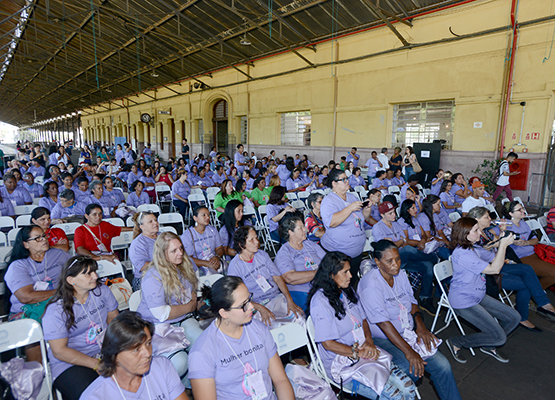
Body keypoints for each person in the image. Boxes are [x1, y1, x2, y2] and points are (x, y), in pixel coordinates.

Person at [358, 241, 461, 400]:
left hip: (406, 331)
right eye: (389, 261)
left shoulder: (400, 275)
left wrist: (420, 326)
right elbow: (384, 324)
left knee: (443, 366)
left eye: (397, 259)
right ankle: (389, 389)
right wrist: (409, 351)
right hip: (382, 338)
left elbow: (412, 302)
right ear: (377, 262)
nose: (395, 265)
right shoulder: (370, 285)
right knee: (410, 369)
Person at [308, 251, 416, 400]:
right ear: (331, 274)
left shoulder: (346, 290)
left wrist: (369, 342)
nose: (350, 276)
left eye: (349, 271)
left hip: (363, 350)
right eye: (345, 272)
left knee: (409, 387)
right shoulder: (320, 302)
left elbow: (364, 319)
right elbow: (327, 344)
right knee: (396, 396)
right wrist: (357, 353)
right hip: (342, 362)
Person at [189, 276, 295, 400]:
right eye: (243, 305)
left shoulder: (258, 329)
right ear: (224, 313)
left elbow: (280, 379)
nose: (252, 307)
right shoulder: (202, 351)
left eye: (249, 299)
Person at [42, 256, 119, 400]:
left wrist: (114, 350)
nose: (95, 276)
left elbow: (113, 319)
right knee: (98, 395)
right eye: (88, 273)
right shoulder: (56, 311)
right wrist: (96, 364)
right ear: (71, 280)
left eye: (94, 271)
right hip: (69, 363)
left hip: (104, 351)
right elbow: (60, 351)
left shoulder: (101, 291)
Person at [445, 218, 520, 364]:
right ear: (465, 234)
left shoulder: (472, 249)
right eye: (476, 230)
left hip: (478, 296)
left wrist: (502, 237)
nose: (480, 233)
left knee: (514, 318)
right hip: (464, 301)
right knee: (500, 337)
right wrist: (503, 246)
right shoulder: (462, 254)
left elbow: (494, 258)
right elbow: (494, 269)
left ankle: (489, 344)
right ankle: (456, 342)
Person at [468, 206, 555, 330]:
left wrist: (503, 232)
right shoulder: (471, 234)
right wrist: (501, 242)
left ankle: (543, 303)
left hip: (498, 264)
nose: (490, 219)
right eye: (486, 217)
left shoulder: (486, 232)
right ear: (476, 219)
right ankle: (523, 317)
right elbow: (483, 250)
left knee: (526, 269)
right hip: (487, 272)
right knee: (525, 283)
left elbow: (499, 244)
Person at [80, 312, 190, 400]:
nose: (147, 353)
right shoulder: (95, 396)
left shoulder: (163, 367)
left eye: (148, 343)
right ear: (115, 354)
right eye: (136, 349)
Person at [136, 232, 201, 376]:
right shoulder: (153, 276)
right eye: (174, 251)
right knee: (180, 362)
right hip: (158, 325)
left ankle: (193, 385)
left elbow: (194, 288)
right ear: (163, 254)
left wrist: (192, 301)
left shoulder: (185, 263)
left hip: (182, 317)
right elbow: (162, 313)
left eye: (181, 248)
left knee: (203, 346)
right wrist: (190, 306)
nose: (180, 253)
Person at [4, 226, 71, 361]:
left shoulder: (58, 255)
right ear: (26, 244)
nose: (44, 240)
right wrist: (62, 292)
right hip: (28, 310)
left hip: (58, 303)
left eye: (44, 236)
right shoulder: (18, 266)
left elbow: (77, 272)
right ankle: (39, 371)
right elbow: (26, 297)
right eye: (37, 238)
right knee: (34, 327)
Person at [228, 226, 304, 328]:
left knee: (299, 317)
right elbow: (237, 297)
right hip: (255, 305)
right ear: (241, 245)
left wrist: (289, 300)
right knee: (270, 325)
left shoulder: (262, 255)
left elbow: (277, 278)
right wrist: (260, 308)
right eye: (252, 240)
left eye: (256, 238)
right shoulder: (235, 266)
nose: (257, 242)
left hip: (276, 298)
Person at [372, 201, 437, 315]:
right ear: (382, 215)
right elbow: (387, 248)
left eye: (394, 212)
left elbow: (402, 242)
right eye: (390, 213)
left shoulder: (396, 224)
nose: (394, 215)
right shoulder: (378, 228)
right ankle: (434, 257)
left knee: (428, 266)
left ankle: (425, 298)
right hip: (390, 262)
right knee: (409, 249)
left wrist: (398, 242)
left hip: (402, 259)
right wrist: (400, 242)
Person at [320, 168, 371, 287]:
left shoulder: (352, 197)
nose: (347, 181)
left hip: (356, 253)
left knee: (350, 283)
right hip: (339, 255)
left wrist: (367, 209)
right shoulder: (329, 201)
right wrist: (350, 208)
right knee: (338, 285)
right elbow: (331, 222)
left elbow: (362, 219)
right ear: (334, 183)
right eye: (343, 179)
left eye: (347, 178)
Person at [275, 216, 326, 312]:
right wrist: (319, 273)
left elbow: (327, 262)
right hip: (302, 290)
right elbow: (289, 277)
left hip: (321, 285)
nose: (305, 229)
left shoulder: (310, 244)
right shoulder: (285, 252)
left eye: (304, 227)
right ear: (291, 232)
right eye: (301, 228)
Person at [503, 201, 555, 290]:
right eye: (519, 210)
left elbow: (535, 240)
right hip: (522, 257)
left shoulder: (523, 223)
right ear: (511, 213)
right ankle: (534, 291)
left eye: (522, 208)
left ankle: (533, 290)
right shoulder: (505, 225)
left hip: (534, 253)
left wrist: (526, 242)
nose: (523, 211)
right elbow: (493, 234)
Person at [181, 206, 224, 276]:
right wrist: (207, 263)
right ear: (195, 218)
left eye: (208, 215)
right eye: (203, 215)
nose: (207, 217)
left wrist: (217, 257)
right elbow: (189, 258)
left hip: (213, 260)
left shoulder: (212, 230)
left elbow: (219, 248)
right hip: (198, 265)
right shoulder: (187, 235)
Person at [128, 211, 160, 291]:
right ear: (142, 226)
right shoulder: (138, 243)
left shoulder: (163, 236)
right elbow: (142, 266)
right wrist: (164, 265)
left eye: (155, 220)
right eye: (150, 221)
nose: (155, 223)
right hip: (145, 278)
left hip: (164, 273)